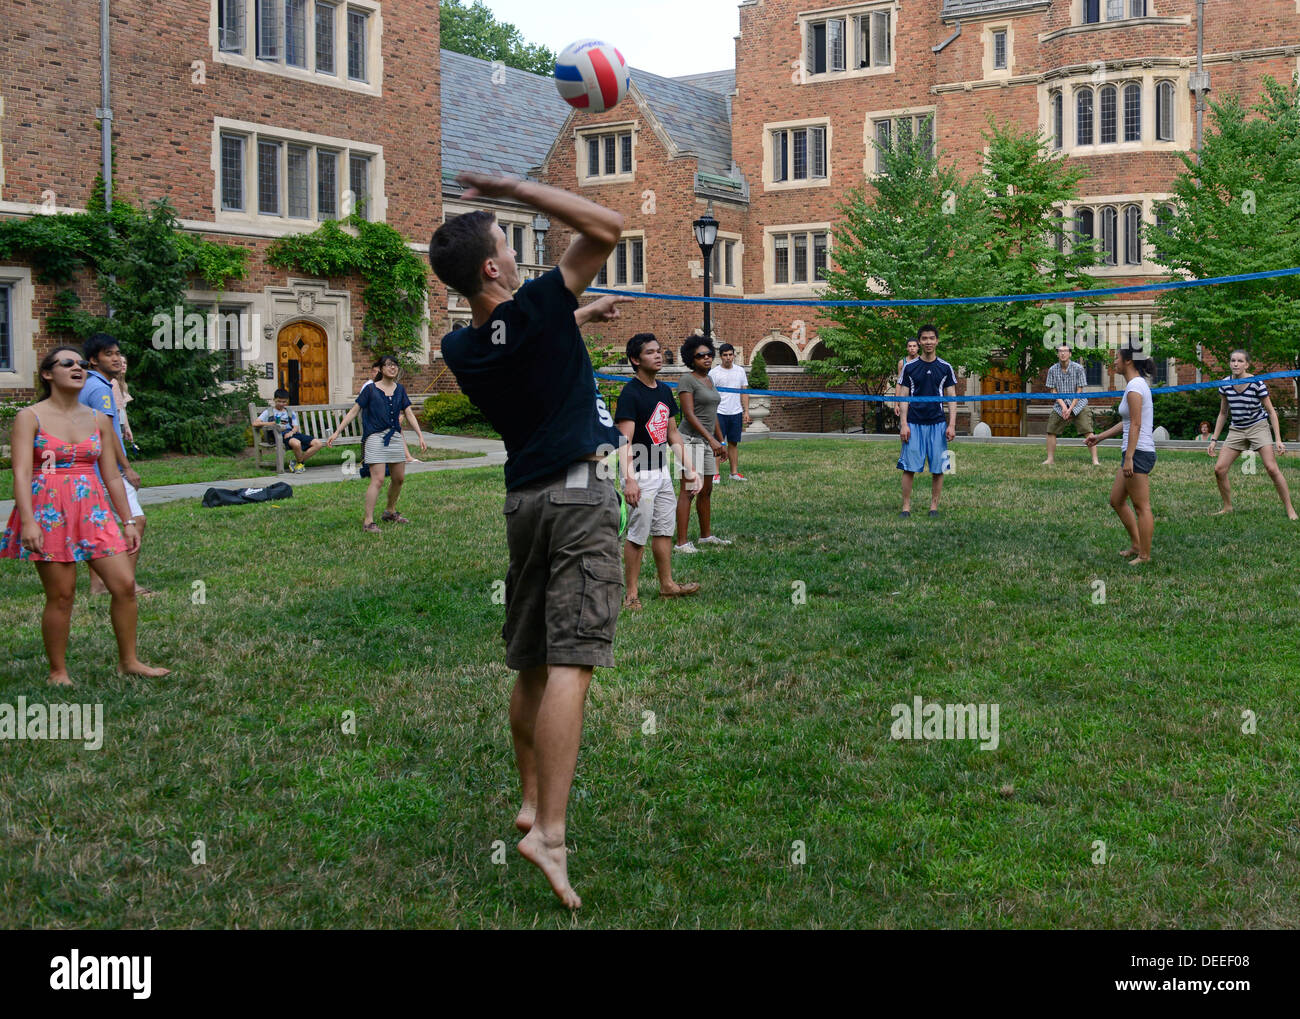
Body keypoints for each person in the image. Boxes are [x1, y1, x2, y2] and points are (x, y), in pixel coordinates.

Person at [429, 172, 634, 910]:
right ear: (492, 266)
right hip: (579, 495)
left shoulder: (461, 344)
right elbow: (607, 225)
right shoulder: (542, 303)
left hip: (524, 502)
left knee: (531, 663)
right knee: (573, 661)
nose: (519, 255)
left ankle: (526, 798)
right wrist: (517, 187)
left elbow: (518, 336)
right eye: (510, 245)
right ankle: (548, 829)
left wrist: (578, 315)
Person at [1, 347, 169, 686]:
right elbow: (20, 474)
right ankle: (58, 672)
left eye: (80, 363)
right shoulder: (29, 417)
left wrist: (128, 521)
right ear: (48, 374)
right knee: (62, 595)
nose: (77, 367)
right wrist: (29, 522)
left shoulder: (97, 419)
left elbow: (110, 476)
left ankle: (129, 661)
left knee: (123, 585)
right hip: (49, 511)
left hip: (93, 509)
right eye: (67, 363)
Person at [615, 334, 703, 600]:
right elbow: (624, 441)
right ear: (635, 359)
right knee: (637, 536)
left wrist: (690, 468)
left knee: (664, 530)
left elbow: (672, 434)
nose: (658, 355)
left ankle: (667, 585)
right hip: (640, 475)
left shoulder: (664, 391)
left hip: (662, 472)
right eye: (650, 352)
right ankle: (631, 593)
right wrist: (629, 480)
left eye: (659, 351)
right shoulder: (630, 394)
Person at [80, 333, 150, 596]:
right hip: (106, 470)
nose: (117, 358)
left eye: (118, 353)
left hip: (93, 470)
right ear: (93, 360)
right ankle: (125, 583)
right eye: (109, 354)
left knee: (102, 526)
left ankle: (98, 585)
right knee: (135, 521)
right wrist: (126, 468)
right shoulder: (100, 389)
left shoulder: (89, 384)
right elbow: (107, 432)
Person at [326, 356, 426, 532]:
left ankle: (390, 511)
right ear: (380, 369)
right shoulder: (370, 390)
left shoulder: (400, 390)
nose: (392, 368)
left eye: (395, 365)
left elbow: (408, 413)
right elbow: (354, 411)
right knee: (378, 479)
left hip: (394, 437)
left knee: (399, 478)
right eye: (388, 365)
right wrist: (337, 432)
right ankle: (368, 521)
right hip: (375, 438)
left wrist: (420, 435)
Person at [1085, 344, 1156, 564]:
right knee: (1116, 500)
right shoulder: (1134, 385)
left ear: (1128, 361)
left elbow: (1135, 424)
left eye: (1116, 358)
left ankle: (1145, 555)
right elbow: (1126, 422)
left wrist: (1129, 458)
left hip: (1139, 453)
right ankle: (1136, 545)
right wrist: (1099, 437)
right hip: (1134, 450)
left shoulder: (1135, 386)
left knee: (1141, 506)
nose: (1113, 362)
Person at [1206, 349, 1296, 519]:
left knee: (1271, 467)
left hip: (1258, 426)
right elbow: (1223, 413)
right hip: (1237, 429)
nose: (1235, 364)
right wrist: (1214, 440)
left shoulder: (1256, 383)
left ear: (1247, 364)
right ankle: (1227, 507)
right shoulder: (1225, 383)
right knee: (1219, 469)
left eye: (1240, 361)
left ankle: (1290, 509)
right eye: (1233, 360)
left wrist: (1278, 439)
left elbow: (1271, 411)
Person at [675, 335, 730, 552]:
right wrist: (711, 439)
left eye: (709, 354)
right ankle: (681, 542)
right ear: (691, 358)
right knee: (689, 490)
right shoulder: (687, 380)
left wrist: (720, 440)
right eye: (700, 356)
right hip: (689, 440)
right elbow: (688, 415)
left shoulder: (709, 380)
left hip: (707, 441)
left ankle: (706, 536)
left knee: (706, 490)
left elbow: (712, 413)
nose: (706, 358)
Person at [897, 325, 957, 517]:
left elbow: (951, 398)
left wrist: (952, 425)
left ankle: (934, 507)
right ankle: (906, 508)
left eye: (932, 338)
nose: (928, 342)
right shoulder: (909, 367)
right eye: (924, 338)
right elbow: (904, 397)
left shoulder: (946, 367)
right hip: (914, 423)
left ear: (937, 341)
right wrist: (904, 424)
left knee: (940, 468)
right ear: (919, 341)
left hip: (938, 423)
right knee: (909, 468)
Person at [1043, 342, 1100, 466]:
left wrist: (1071, 408)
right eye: (1060, 351)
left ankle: (1095, 460)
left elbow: (1079, 390)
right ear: (1057, 354)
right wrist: (1064, 407)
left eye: (1065, 351)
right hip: (1060, 404)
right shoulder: (1052, 369)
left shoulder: (1078, 368)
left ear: (1070, 353)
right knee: (1050, 431)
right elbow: (1053, 390)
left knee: (1088, 430)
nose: (1062, 353)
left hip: (1078, 403)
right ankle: (1050, 459)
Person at [255, 389, 324, 473]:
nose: (281, 404)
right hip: (279, 435)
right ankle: (300, 464)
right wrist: (271, 423)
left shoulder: (290, 412)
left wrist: (291, 432)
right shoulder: (268, 412)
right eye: (279, 401)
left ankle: (298, 463)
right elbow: (255, 423)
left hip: (292, 433)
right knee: (296, 443)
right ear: (274, 400)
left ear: (287, 401)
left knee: (318, 444)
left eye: (284, 402)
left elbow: (295, 427)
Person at [709, 342, 750, 481]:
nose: (728, 357)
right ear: (720, 357)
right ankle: (715, 474)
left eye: (730, 355)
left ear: (734, 355)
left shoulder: (740, 371)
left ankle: (734, 473)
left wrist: (746, 412)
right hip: (719, 413)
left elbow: (744, 392)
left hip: (736, 412)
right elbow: (709, 394)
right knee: (718, 443)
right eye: (725, 355)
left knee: (733, 443)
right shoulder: (713, 373)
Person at [893, 338, 920, 418]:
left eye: (914, 346)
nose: (912, 348)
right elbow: (899, 383)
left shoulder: (923, 361)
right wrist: (896, 404)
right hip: (905, 399)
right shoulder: (902, 363)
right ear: (907, 348)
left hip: (920, 398)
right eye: (910, 346)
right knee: (905, 426)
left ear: (918, 347)